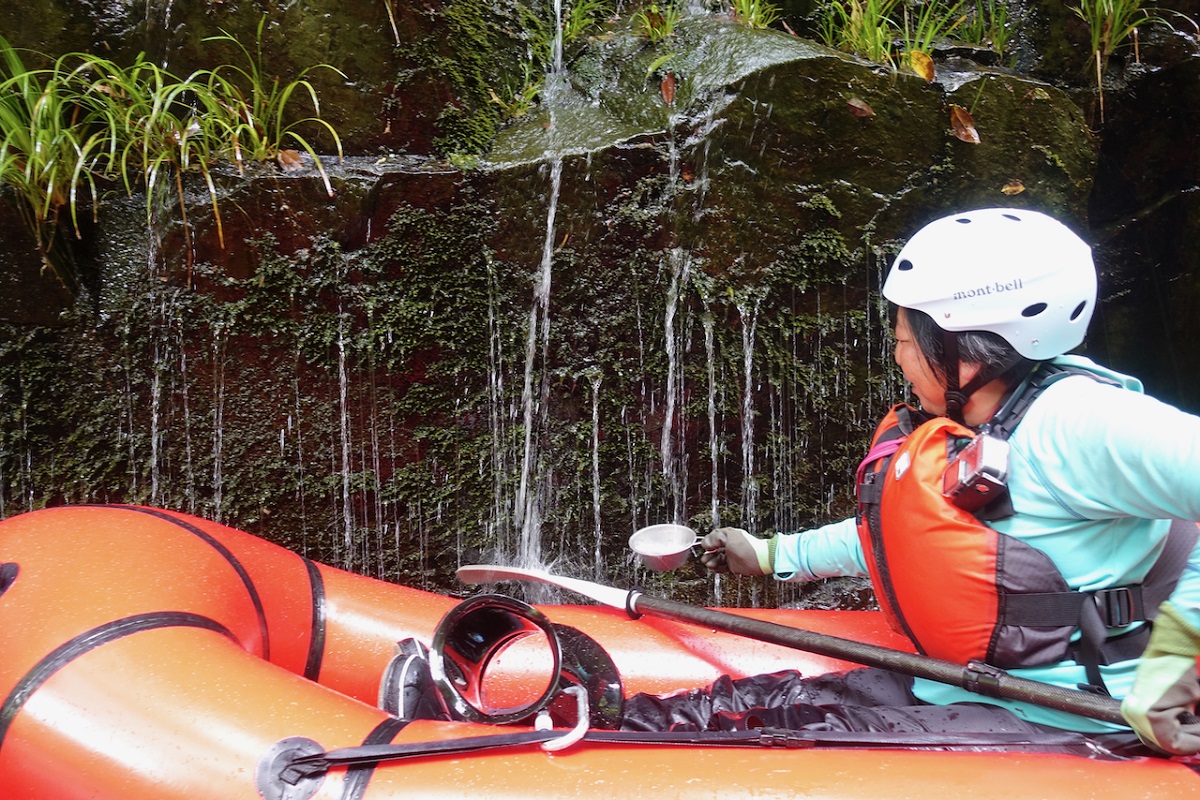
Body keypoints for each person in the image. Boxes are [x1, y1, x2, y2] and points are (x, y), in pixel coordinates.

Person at [685, 207, 1200, 756]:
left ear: (969, 348)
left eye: (906, 340)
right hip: (952, 688)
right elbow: (912, 535)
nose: (899, 358)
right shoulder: (972, 422)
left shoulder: (1081, 421)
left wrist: (1176, 656)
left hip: (1071, 721)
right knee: (706, 714)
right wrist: (769, 554)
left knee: (758, 748)